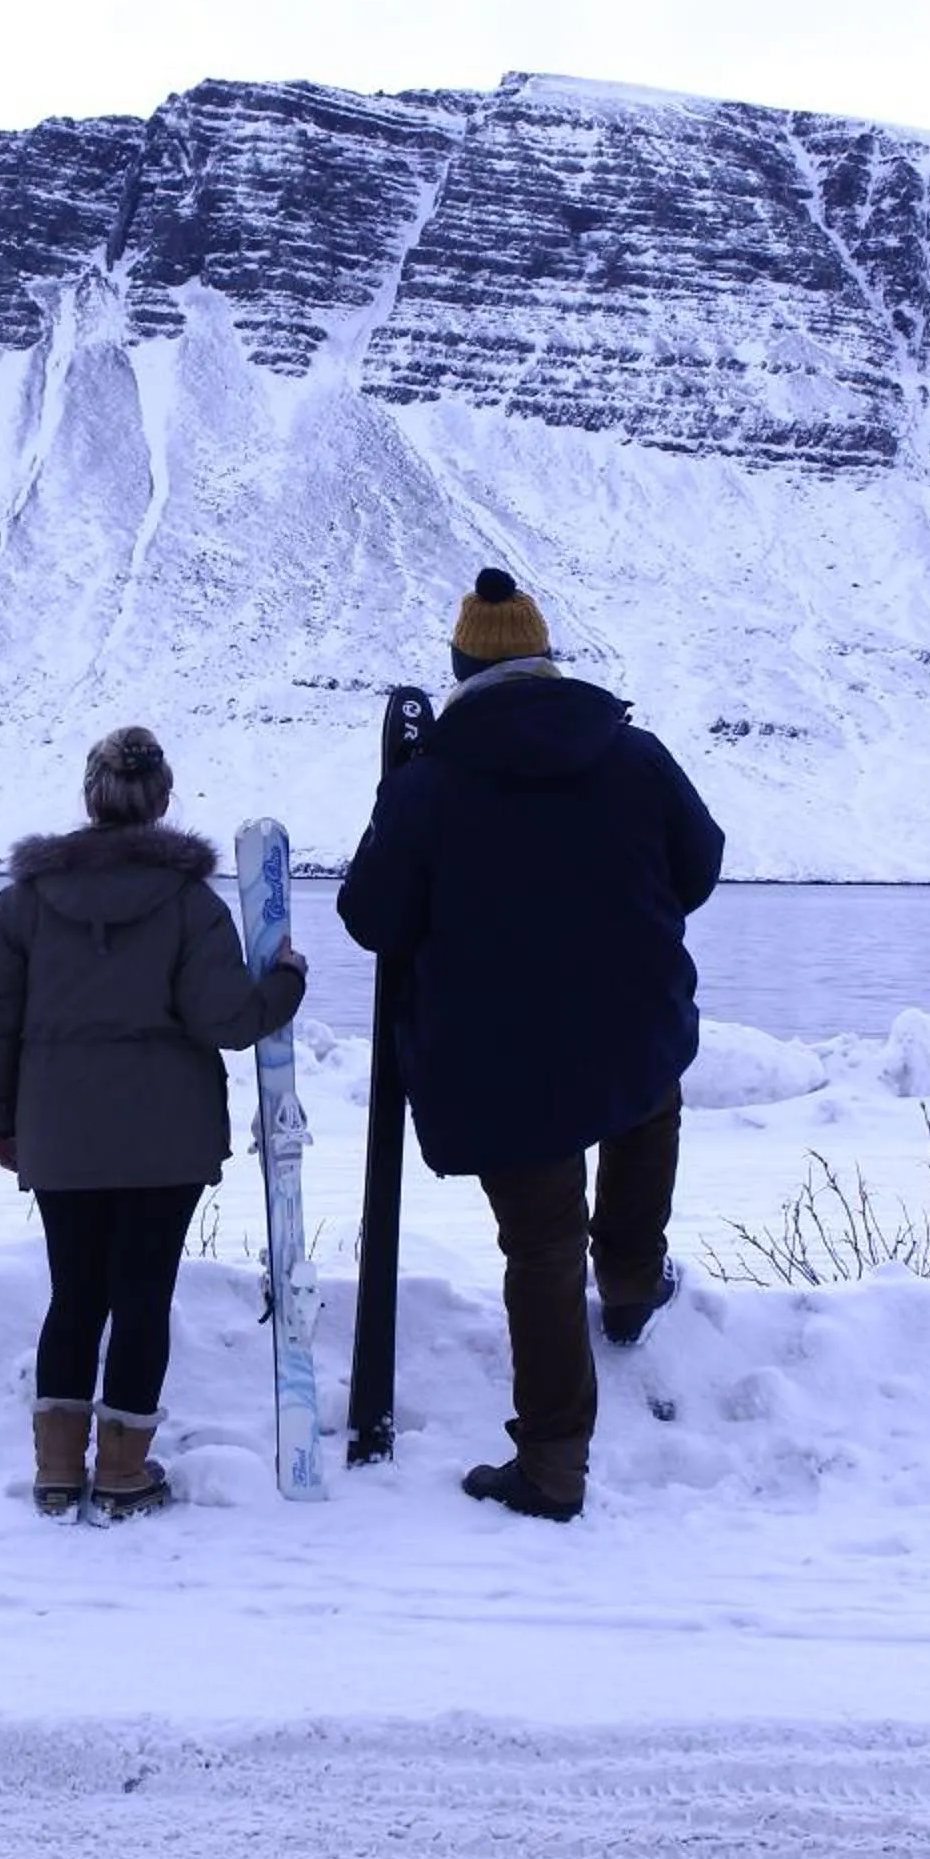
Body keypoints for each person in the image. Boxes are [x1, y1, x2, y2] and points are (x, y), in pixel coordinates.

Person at [337, 570, 724, 1523]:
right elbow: (700, 864)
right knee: (645, 1102)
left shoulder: (431, 784)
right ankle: (632, 1280)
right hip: (629, 1016)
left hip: (499, 1052)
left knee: (543, 1246)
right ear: (548, 663)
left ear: (462, 668)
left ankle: (554, 1465)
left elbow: (372, 917)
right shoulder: (633, 758)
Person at [0, 726, 307, 1519]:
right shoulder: (191, 906)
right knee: (143, 1297)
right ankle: (121, 1473)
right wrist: (285, 984)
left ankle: (56, 1472)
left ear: (91, 799)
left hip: (59, 1133)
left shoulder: (21, 905)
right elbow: (225, 1019)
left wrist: (1, 1120)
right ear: (162, 802)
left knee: (74, 1295)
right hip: (166, 1139)